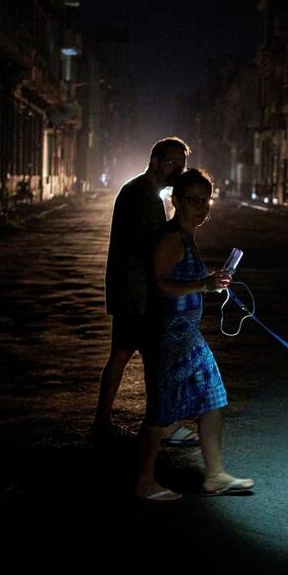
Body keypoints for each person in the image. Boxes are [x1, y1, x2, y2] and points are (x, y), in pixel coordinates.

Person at [134, 169, 254, 501]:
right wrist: (204, 283)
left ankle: (214, 475)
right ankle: (144, 481)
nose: (202, 207)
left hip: (189, 336)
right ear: (175, 201)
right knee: (159, 412)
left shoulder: (187, 236)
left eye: (207, 200)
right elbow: (160, 285)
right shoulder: (171, 237)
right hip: (166, 337)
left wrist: (213, 279)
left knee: (213, 397)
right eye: (194, 200)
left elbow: (185, 278)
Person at [91, 137, 199, 446]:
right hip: (137, 292)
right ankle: (162, 425)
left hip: (131, 290)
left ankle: (105, 423)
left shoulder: (143, 192)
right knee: (154, 358)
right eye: (175, 163)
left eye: (183, 164)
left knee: (124, 355)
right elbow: (151, 247)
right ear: (156, 161)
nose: (180, 170)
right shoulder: (142, 196)